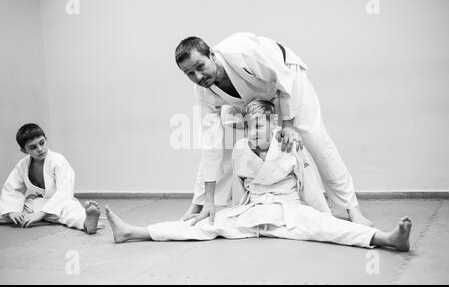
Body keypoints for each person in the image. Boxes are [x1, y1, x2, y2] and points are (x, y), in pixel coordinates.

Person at [105, 100, 411, 252]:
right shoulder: (240, 148)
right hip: (253, 212)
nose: (252, 134)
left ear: (273, 124)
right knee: (205, 227)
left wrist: (324, 212)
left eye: (258, 127)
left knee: (327, 228)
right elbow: (237, 186)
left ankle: (388, 239)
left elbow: (310, 182)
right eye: (248, 127)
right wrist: (229, 211)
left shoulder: (290, 144)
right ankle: (133, 232)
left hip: (289, 209)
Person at [175, 32, 373, 227]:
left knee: (314, 137)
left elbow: (285, 81)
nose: (198, 76)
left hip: (287, 79)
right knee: (223, 141)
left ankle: (352, 208)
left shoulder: (242, 52)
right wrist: (207, 199)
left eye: (200, 67)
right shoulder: (202, 91)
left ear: (211, 54)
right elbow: (211, 144)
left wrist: (288, 126)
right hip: (253, 94)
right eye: (190, 73)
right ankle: (200, 204)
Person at [0, 123, 101, 234]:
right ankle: (34, 216)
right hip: (35, 203)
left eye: (42, 143)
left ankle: (87, 222)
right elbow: (12, 189)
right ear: (24, 151)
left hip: (58, 202)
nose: (40, 149)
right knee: (9, 212)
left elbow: (65, 190)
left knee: (69, 210)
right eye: (33, 147)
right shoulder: (22, 165)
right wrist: (11, 211)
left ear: (46, 139)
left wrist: (41, 214)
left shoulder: (58, 160)